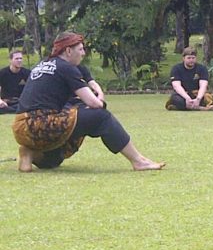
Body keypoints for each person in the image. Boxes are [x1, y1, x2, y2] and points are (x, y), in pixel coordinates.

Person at [13, 32, 165, 172]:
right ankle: (139, 161)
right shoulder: (66, 67)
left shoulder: (44, 64)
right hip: (38, 125)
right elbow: (94, 104)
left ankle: (30, 152)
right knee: (100, 116)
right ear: (68, 51)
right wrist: (101, 100)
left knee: (55, 160)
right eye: (80, 49)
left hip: (22, 127)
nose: (84, 53)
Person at [165, 47, 213, 111]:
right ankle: (200, 108)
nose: (191, 60)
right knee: (176, 99)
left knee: (208, 98)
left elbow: (203, 86)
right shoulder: (176, 69)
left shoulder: (202, 69)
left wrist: (198, 99)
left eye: (193, 58)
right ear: (183, 58)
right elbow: (176, 86)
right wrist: (187, 98)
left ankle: (186, 107)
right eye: (188, 58)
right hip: (182, 94)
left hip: (197, 94)